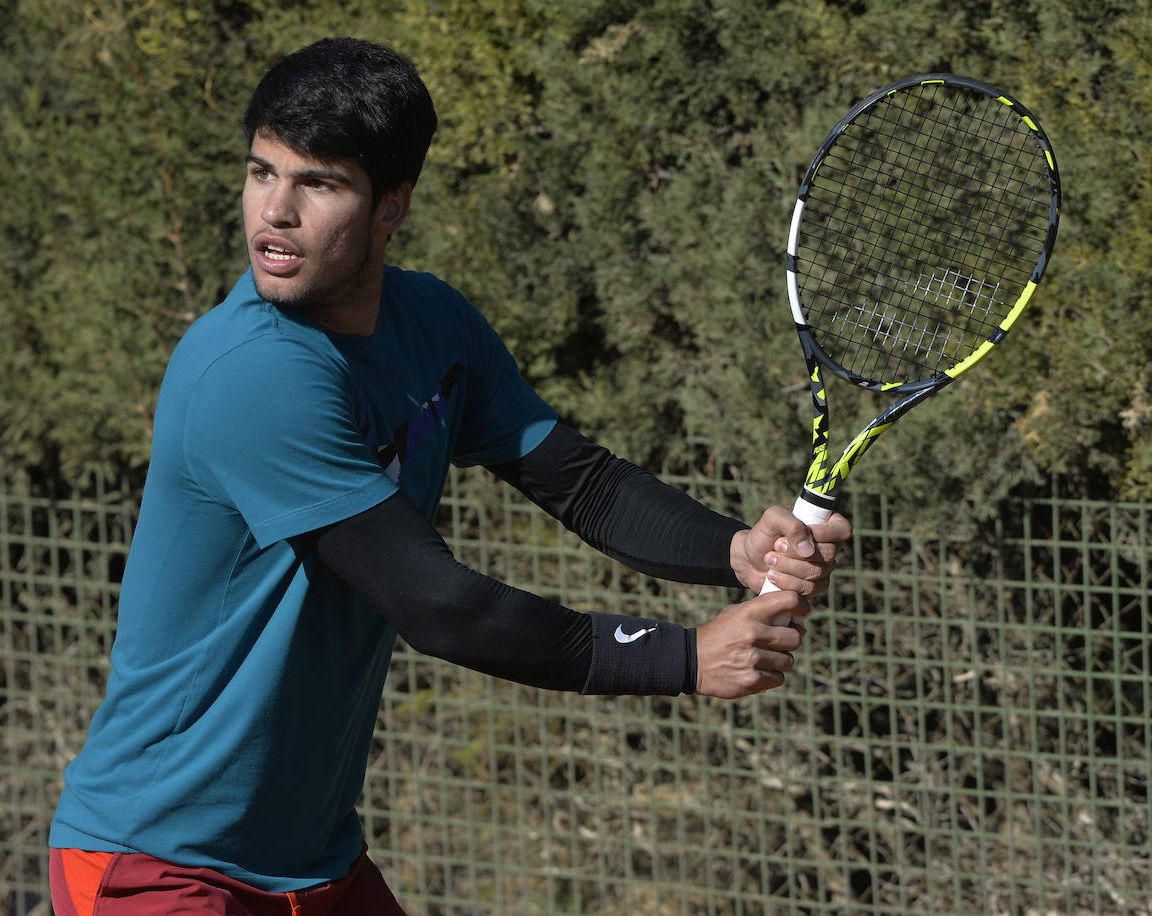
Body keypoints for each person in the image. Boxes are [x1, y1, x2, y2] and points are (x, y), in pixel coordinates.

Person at [48, 37, 851, 916]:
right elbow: (439, 603)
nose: (273, 211)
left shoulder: (433, 323)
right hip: (157, 866)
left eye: (318, 184)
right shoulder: (252, 374)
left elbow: (581, 483)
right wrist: (684, 656)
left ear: (392, 205)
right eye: (260, 171)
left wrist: (731, 549)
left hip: (314, 862)